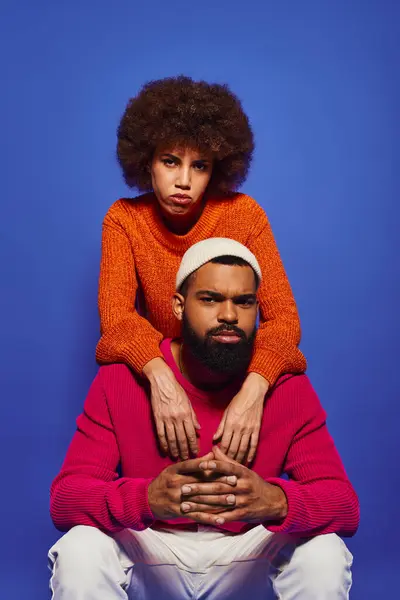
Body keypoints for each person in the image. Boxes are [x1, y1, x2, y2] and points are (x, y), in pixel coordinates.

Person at [49, 239, 359, 600]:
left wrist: (274, 501)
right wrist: (146, 499)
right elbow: (66, 500)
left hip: (246, 556)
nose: (229, 315)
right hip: (153, 553)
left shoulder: (286, 387)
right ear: (179, 306)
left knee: (324, 552)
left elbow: (344, 505)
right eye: (210, 299)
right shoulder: (121, 379)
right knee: (80, 548)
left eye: (243, 302)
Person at [96, 75, 307, 464]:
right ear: (146, 161)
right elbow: (117, 318)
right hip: (164, 380)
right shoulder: (124, 220)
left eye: (200, 166)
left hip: (230, 375)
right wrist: (160, 378)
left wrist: (254, 389)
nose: (184, 181)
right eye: (170, 161)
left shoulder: (244, 215)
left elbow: (284, 320)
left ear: (218, 169)